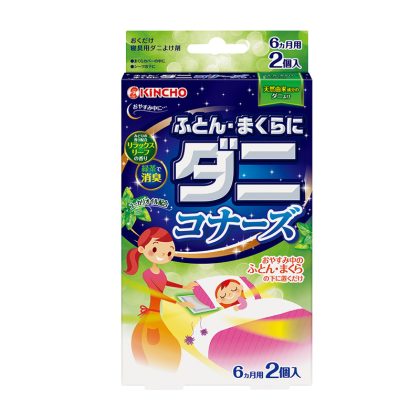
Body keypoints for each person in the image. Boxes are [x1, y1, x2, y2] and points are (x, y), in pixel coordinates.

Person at [125, 227, 196, 370]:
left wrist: (184, 287)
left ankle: (163, 369)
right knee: (153, 344)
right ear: (142, 249)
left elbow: (165, 283)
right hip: (153, 314)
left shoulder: (159, 272)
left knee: (165, 343)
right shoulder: (147, 274)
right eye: (156, 249)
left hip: (157, 314)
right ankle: (153, 369)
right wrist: (178, 303)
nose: (164, 254)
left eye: (169, 252)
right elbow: (158, 294)